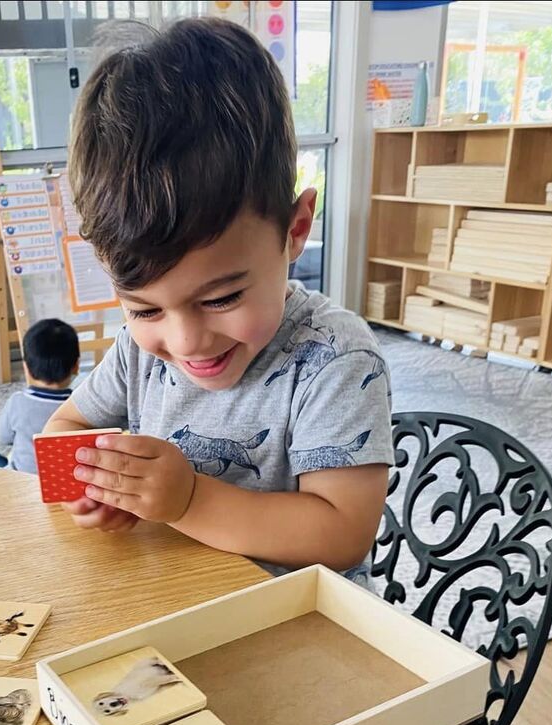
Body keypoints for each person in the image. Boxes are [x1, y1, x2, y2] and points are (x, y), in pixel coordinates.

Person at [43, 19, 394, 584]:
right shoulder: (138, 352)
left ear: (295, 230)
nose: (186, 342)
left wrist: (189, 501)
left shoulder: (334, 359)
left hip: (294, 621)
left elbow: (343, 534)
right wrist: (90, 484)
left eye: (222, 297)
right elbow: (64, 426)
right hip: (171, 597)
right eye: (145, 309)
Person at [0, 318, 79, 473]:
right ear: (76, 365)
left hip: (20, 480)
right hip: (61, 481)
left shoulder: (17, 402)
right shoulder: (80, 406)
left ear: (26, 367)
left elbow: (5, 437)